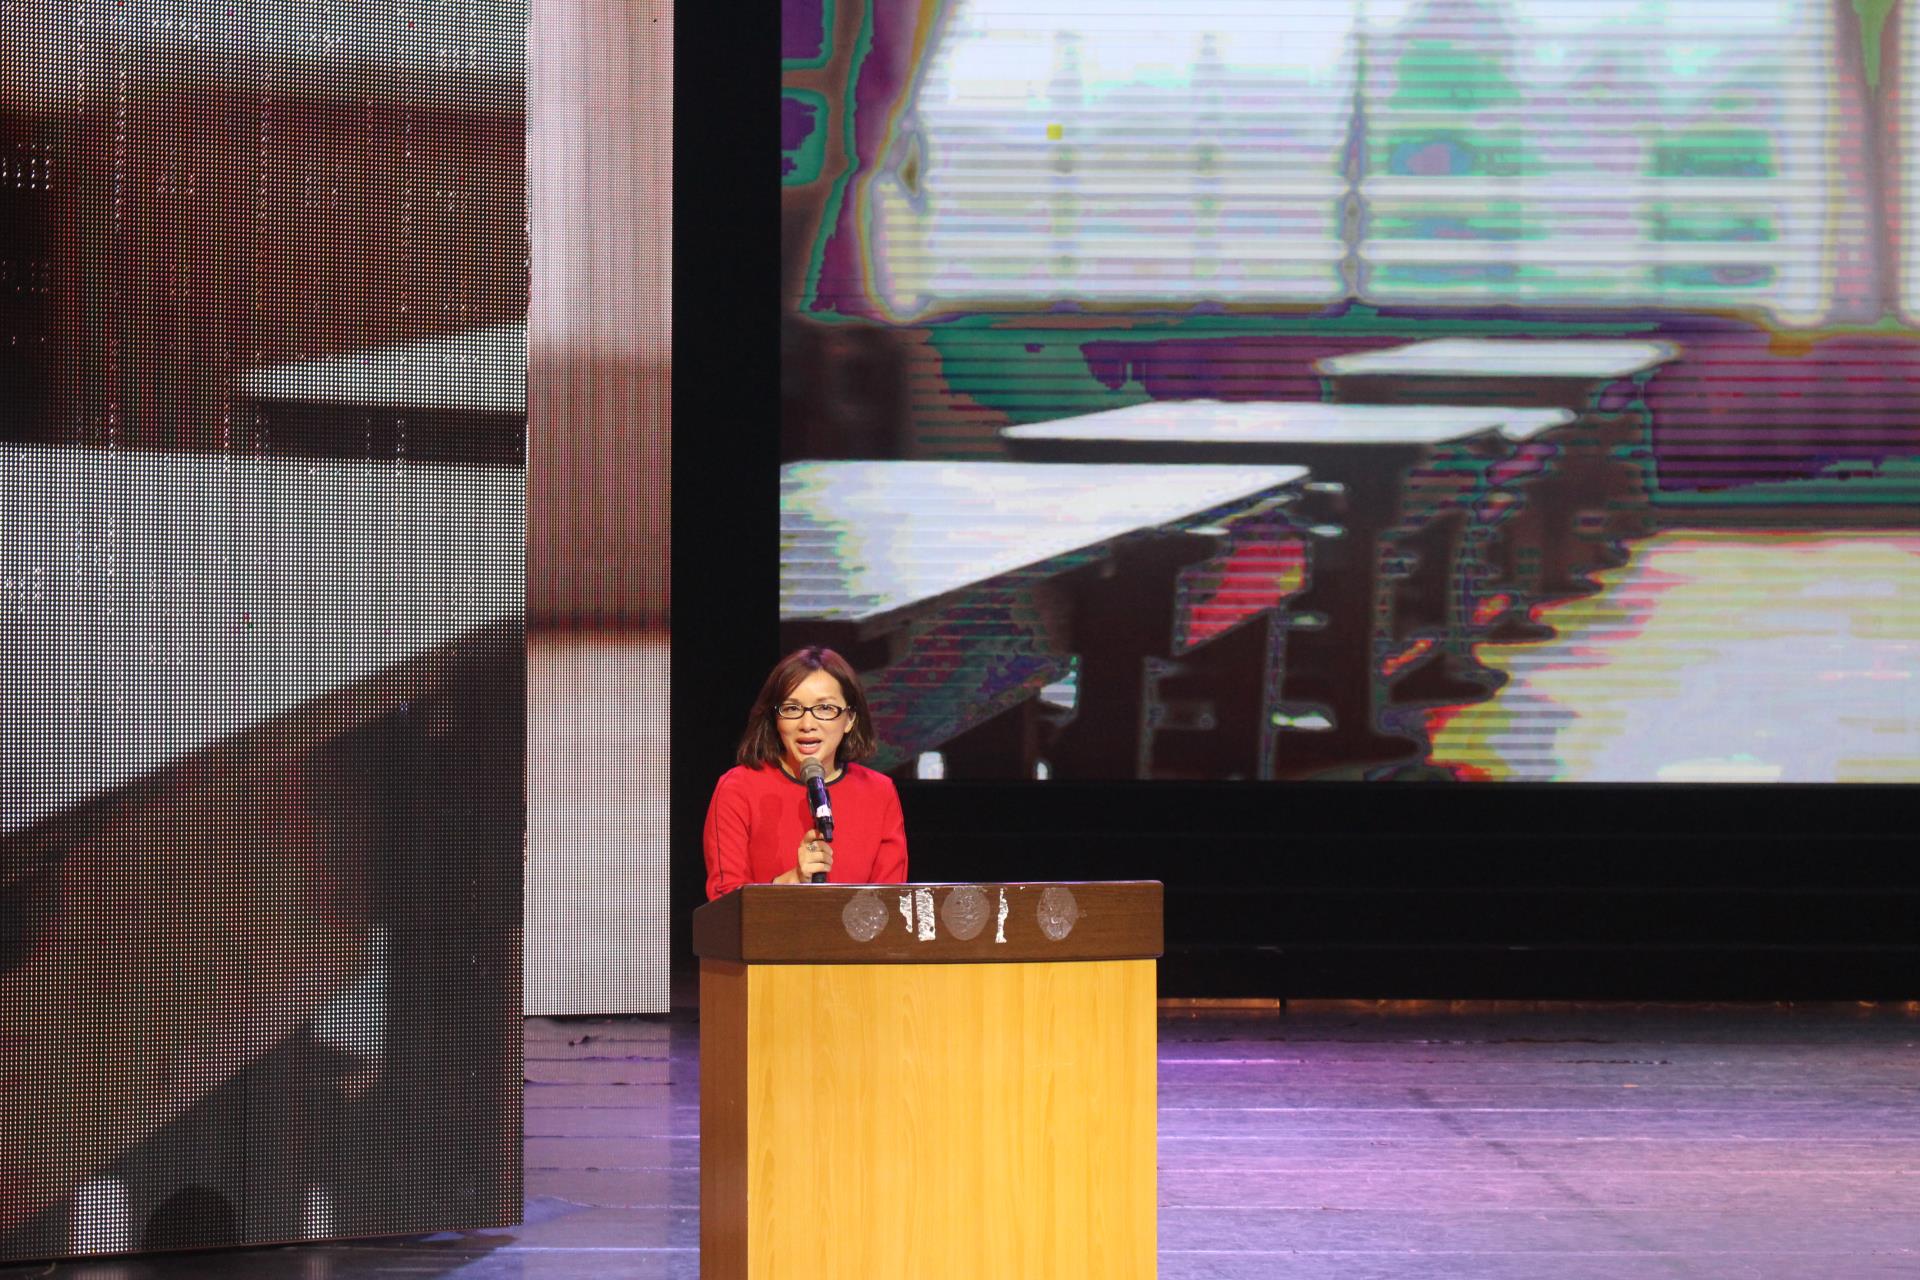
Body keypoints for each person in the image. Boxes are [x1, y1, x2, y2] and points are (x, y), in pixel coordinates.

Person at [702, 646, 907, 900]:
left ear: (850, 719)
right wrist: (793, 880)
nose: (807, 724)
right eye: (791, 709)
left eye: (825, 708)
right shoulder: (738, 788)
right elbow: (724, 902)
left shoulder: (878, 792)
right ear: (775, 718)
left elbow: (891, 902)